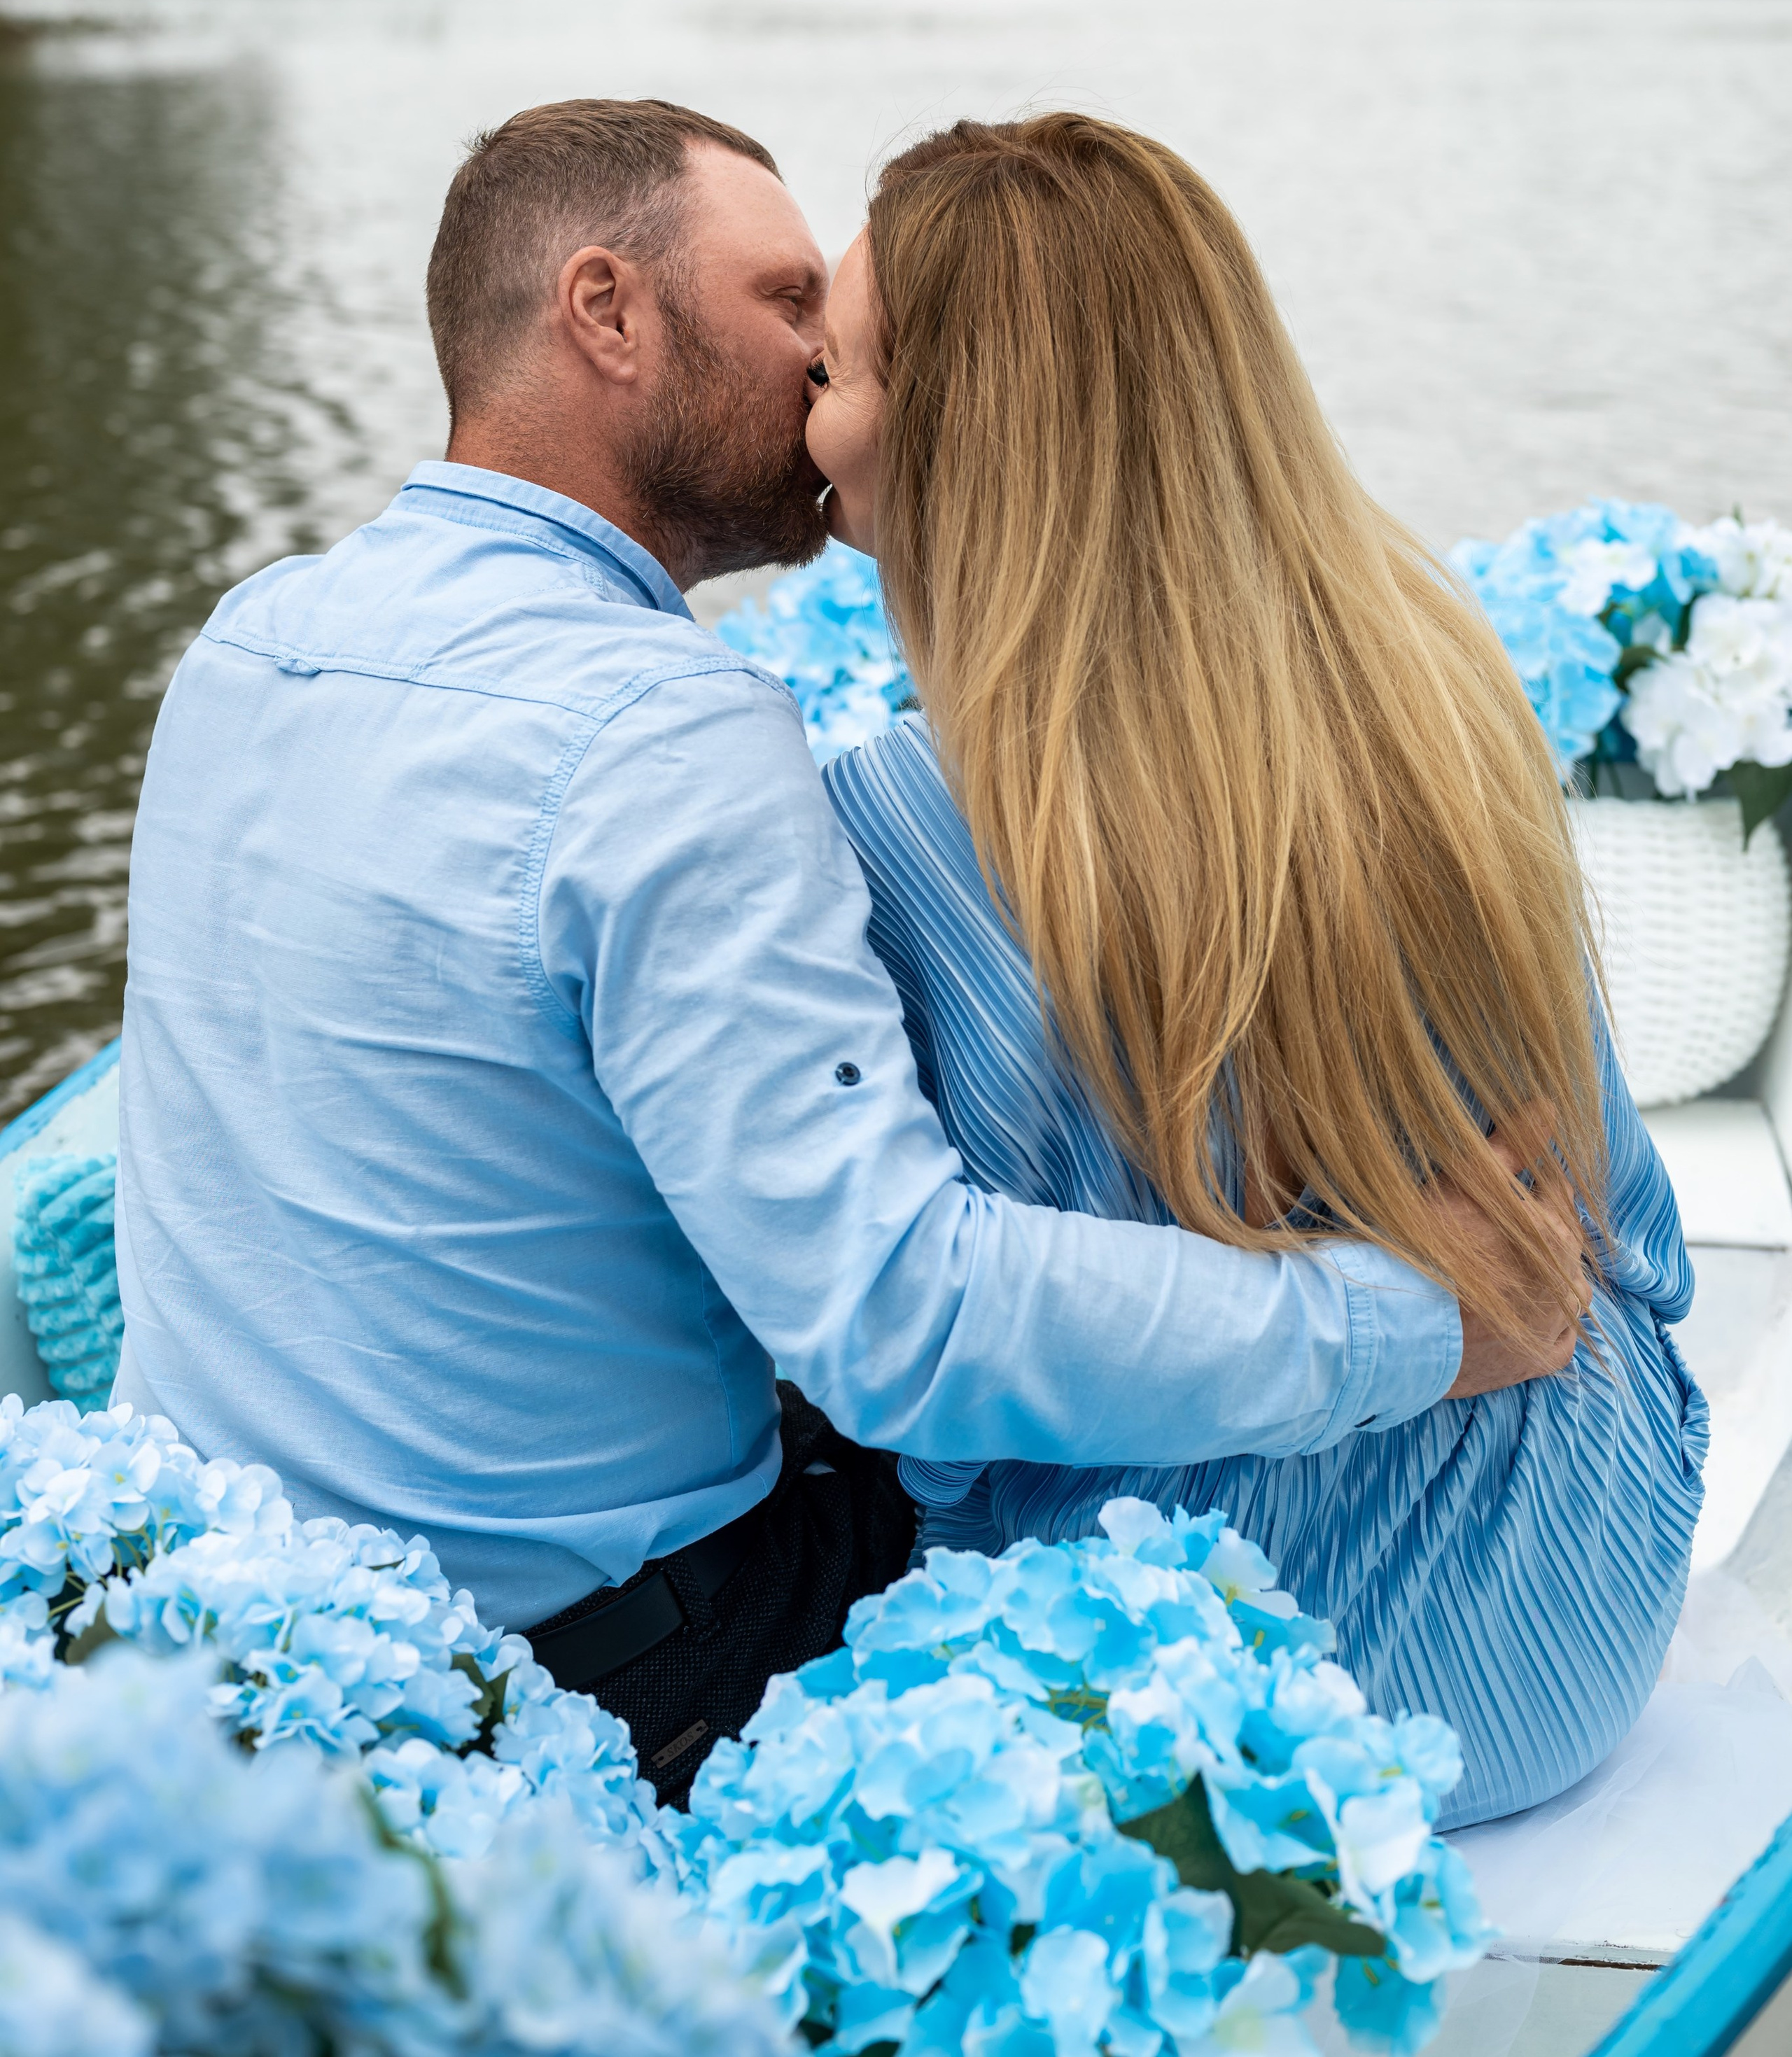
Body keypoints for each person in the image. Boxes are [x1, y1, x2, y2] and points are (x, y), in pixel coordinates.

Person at [115, 98, 1583, 1804]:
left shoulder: (249, 640)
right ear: (608, 312)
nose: (825, 368)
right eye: (787, 299)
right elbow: (898, 1319)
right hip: (597, 1678)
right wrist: (1410, 1323)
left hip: (222, 1613)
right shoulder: (661, 734)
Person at [806, 112, 1706, 1830]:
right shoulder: (1441, 686)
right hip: (1576, 1605)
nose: (804, 417)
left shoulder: (897, 815)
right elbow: (1630, 1239)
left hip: (1211, 1702)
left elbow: (931, 1397)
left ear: (951, 427)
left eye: (836, 369)